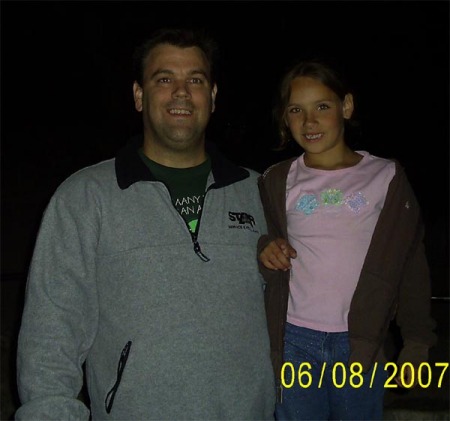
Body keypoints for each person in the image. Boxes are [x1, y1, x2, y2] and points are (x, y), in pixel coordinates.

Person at [15, 27, 275, 420]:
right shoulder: (86, 197)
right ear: (139, 95)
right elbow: (51, 334)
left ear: (214, 97)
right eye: (165, 78)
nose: (182, 92)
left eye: (196, 80)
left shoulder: (262, 193)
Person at [257, 59, 437, 420]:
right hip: (294, 340)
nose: (310, 121)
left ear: (347, 106)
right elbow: (254, 237)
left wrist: (417, 339)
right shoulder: (276, 180)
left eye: (322, 106)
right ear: (285, 118)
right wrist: (263, 246)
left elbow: (410, 261)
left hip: (361, 345)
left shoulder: (386, 176)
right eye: (297, 110)